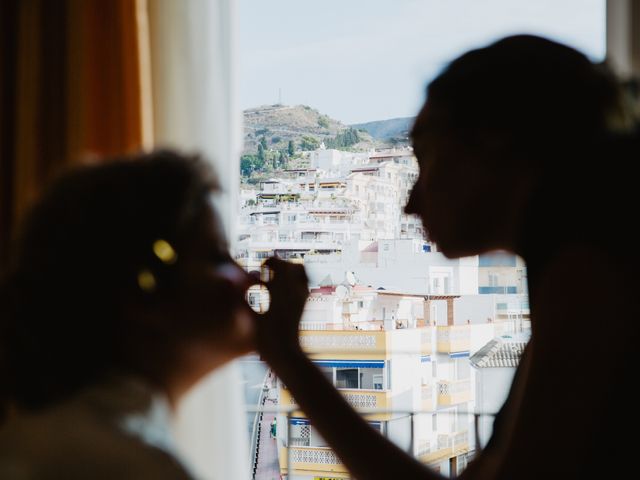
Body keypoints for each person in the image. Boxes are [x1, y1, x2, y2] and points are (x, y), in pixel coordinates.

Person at [255, 35, 640, 479]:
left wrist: (290, 361)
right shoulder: (588, 260)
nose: (411, 202)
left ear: (495, 142)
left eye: (427, 159)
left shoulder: (591, 278)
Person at [0, 151, 256, 479]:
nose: (247, 276)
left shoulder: (28, 441)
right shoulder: (138, 466)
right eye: (219, 257)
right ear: (144, 292)